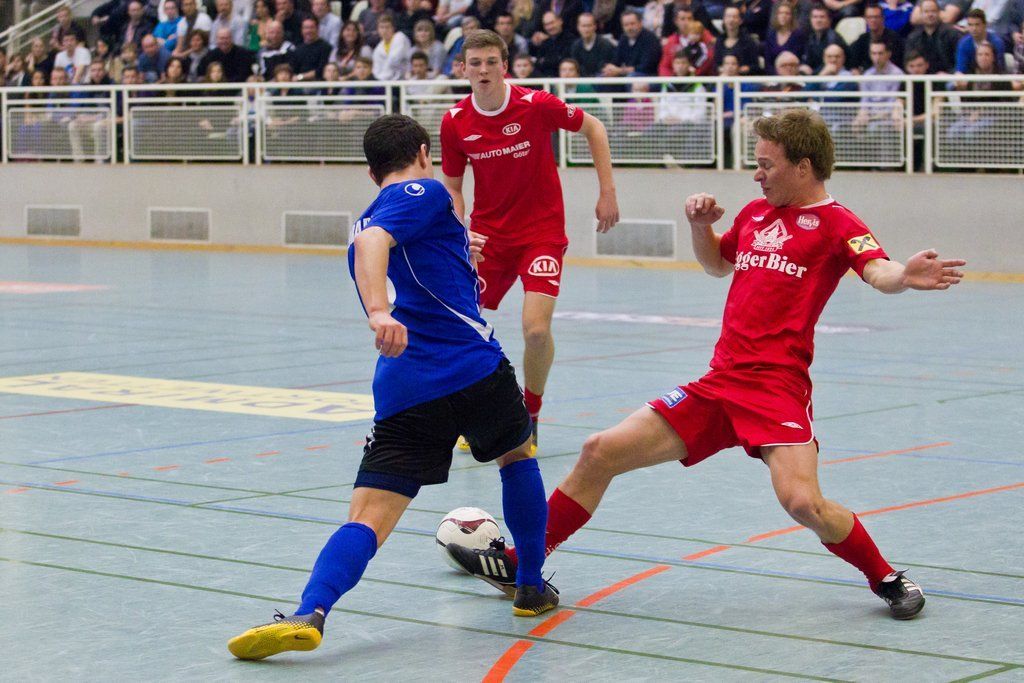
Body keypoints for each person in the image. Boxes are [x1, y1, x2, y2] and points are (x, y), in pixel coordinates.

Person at [448, 107, 967, 622]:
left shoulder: (838, 222)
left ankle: (886, 577)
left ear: (803, 167)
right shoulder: (756, 214)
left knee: (803, 504)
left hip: (777, 391)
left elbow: (877, 270)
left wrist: (904, 277)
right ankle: (520, 564)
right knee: (599, 451)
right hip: (719, 385)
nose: (757, 175)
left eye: (766, 165)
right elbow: (718, 263)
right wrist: (700, 227)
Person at [226, 114, 556, 661]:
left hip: (405, 386)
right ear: (423, 153)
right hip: (472, 367)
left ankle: (311, 612)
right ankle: (529, 586)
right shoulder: (425, 191)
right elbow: (377, 242)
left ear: (369, 170)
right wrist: (379, 312)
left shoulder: (369, 215)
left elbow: (388, 248)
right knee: (517, 457)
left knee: (368, 516)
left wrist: (458, 249)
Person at [440, 29, 619, 452]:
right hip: (488, 238)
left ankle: (529, 414)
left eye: (492, 62)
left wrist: (607, 192)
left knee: (536, 330)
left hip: (541, 234)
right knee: (463, 327)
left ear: (505, 66)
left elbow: (593, 127)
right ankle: (476, 412)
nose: (484, 70)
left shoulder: (536, 104)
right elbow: (453, 187)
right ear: (463, 69)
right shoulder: (455, 121)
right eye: (475, 63)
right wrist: (459, 231)